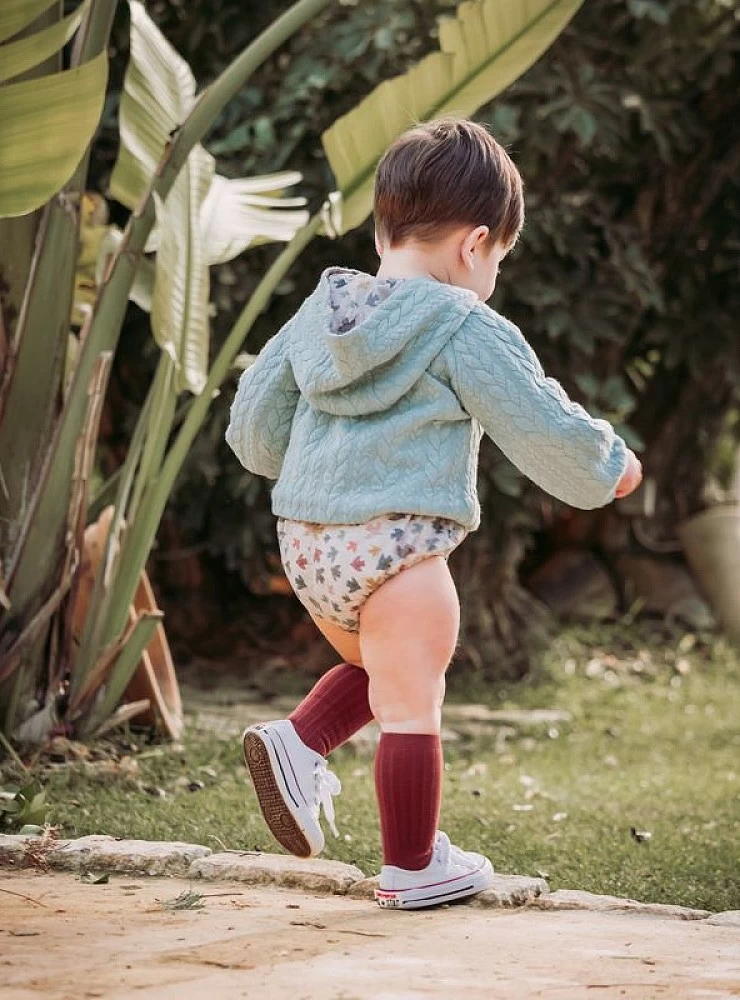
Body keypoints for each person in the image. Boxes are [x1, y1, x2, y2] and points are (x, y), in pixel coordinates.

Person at [225, 118, 643, 910]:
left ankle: (299, 738)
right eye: (499, 260)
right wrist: (610, 468)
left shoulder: (319, 313)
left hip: (310, 550)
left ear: (385, 225)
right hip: (401, 551)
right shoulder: (461, 324)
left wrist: (323, 473)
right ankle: (414, 864)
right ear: (475, 244)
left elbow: (250, 430)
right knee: (414, 699)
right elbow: (542, 422)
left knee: (385, 664)